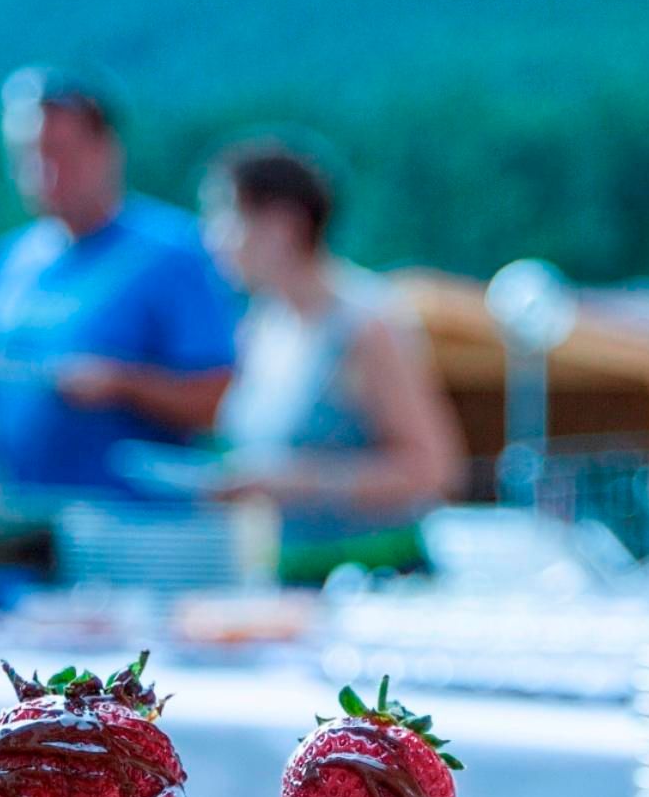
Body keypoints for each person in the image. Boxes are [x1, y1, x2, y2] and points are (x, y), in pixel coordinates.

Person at [0, 69, 238, 494]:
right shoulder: (8, 260)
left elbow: (224, 403)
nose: (42, 172)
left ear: (107, 150)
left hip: (128, 531)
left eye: (59, 153)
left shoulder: (173, 255)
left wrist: (123, 384)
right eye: (26, 156)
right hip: (15, 528)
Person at [198, 138, 465, 545]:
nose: (213, 238)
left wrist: (299, 483)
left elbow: (434, 472)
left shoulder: (365, 326)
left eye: (226, 215)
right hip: (292, 578)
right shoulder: (262, 326)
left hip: (372, 578)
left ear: (283, 224)